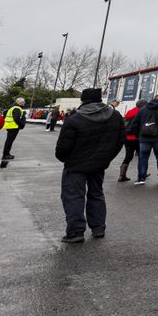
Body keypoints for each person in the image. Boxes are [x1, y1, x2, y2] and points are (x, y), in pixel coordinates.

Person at [54, 88, 125, 242]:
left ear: (83, 100)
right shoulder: (115, 116)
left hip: (75, 165)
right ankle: (98, 227)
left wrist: (67, 160)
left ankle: (75, 232)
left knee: (73, 197)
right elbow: (120, 140)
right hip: (99, 164)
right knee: (96, 194)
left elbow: (62, 148)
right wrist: (106, 158)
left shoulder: (74, 119)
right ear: (100, 99)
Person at [131, 94, 158, 184]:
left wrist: (138, 136)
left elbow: (134, 124)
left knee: (143, 158)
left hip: (144, 138)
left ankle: (141, 179)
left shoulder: (142, 110)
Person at [117, 99, 146, 182]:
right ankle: (142, 174)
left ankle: (122, 175)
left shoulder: (129, 112)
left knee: (128, 156)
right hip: (137, 138)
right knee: (142, 156)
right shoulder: (142, 113)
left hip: (128, 138)